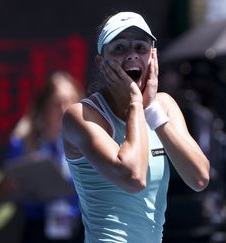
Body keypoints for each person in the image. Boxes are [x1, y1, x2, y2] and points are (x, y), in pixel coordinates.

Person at [61, 11, 210, 242]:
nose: (131, 55)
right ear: (101, 62)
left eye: (140, 48)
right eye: (119, 48)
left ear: (153, 57)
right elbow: (133, 178)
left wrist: (151, 111)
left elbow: (199, 178)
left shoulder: (164, 106)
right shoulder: (81, 115)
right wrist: (136, 103)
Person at [4, 71, 84, 243]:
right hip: (38, 229)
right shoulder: (26, 141)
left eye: (70, 101)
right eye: (57, 103)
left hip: (78, 228)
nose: (64, 109)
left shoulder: (87, 142)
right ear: (45, 106)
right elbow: (5, 188)